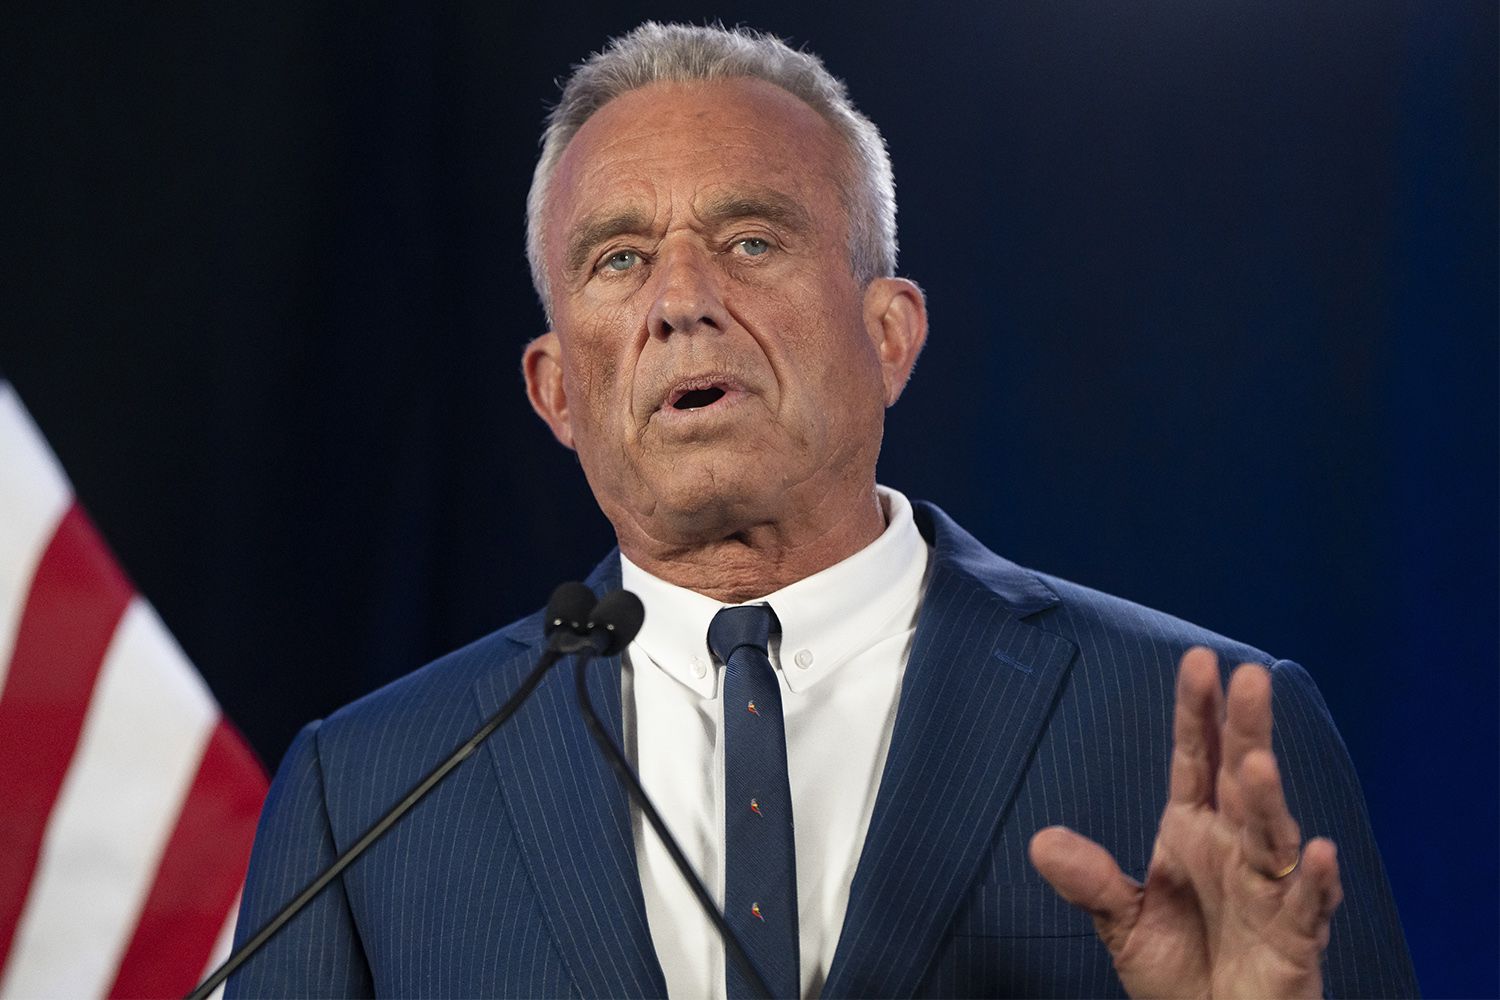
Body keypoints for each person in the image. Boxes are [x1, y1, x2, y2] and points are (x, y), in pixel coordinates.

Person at [228, 22, 1417, 998]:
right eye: (620, 260)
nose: (682, 301)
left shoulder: (1190, 732)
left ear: (889, 334)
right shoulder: (374, 791)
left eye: (751, 239)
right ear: (556, 390)